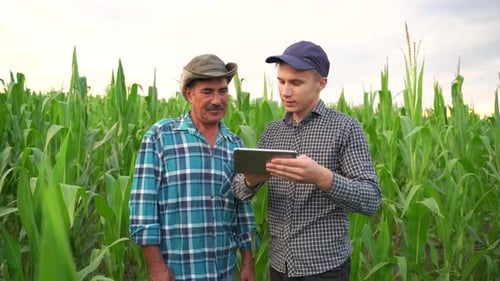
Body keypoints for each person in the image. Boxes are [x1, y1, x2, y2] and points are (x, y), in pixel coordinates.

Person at [231, 41, 381, 280]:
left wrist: (322, 177)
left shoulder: (344, 128)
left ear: (321, 84)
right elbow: (239, 192)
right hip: (279, 265)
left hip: (325, 269)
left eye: (296, 83)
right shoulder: (272, 132)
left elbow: (371, 199)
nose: (285, 92)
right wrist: (251, 179)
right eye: (281, 81)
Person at [129, 54, 255, 281]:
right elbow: (143, 208)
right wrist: (156, 267)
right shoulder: (161, 136)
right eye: (207, 91)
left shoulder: (234, 144)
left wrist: (247, 263)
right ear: (189, 94)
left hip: (223, 271)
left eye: (223, 91)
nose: (217, 100)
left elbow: (242, 210)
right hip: (178, 271)